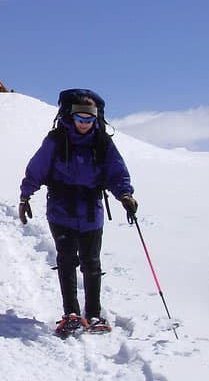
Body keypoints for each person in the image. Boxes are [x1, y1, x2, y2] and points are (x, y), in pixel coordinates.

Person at [18, 93, 138, 337]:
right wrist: (25, 196)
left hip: (91, 210)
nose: (84, 123)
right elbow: (37, 169)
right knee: (66, 259)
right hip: (61, 209)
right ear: (70, 117)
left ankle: (93, 313)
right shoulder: (56, 140)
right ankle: (70, 313)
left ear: (96, 119)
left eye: (88, 118)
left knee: (91, 262)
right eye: (79, 117)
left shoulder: (102, 143)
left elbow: (117, 172)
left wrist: (125, 195)